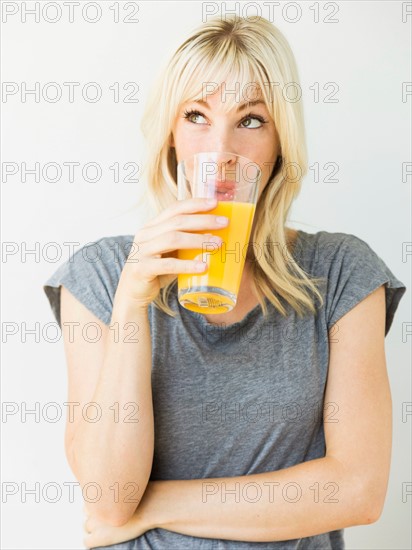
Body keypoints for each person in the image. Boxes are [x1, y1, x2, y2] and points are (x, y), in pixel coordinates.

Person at [43, 15, 406, 550]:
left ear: (282, 138)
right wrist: (130, 307)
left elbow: (355, 490)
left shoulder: (340, 272)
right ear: (170, 134)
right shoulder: (101, 274)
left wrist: (158, 505)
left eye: (252, 119)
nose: (223, 150)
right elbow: (109, 498)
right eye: (196, 115)